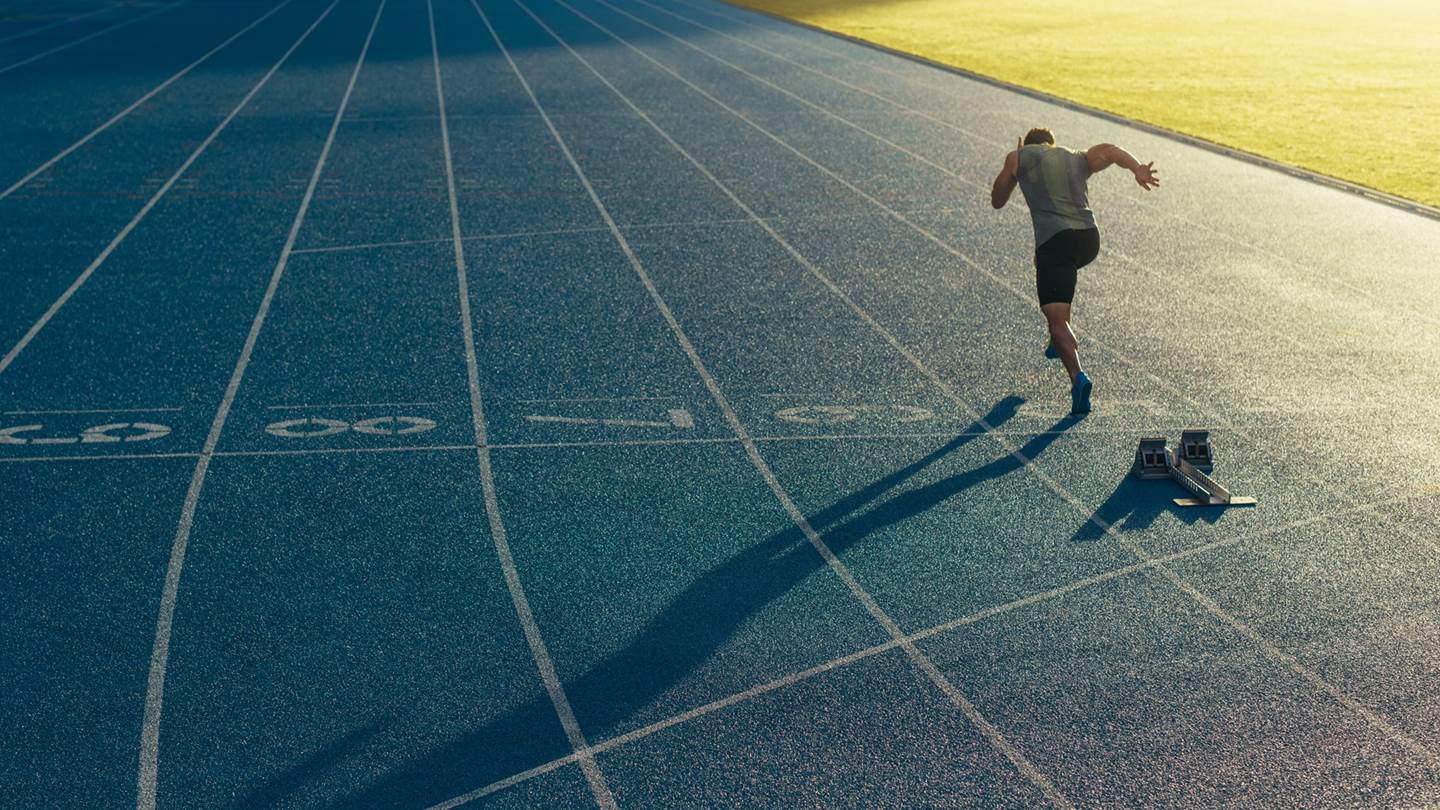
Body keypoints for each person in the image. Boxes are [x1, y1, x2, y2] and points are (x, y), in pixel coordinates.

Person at [990, 128, 1159, 414]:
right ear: (1051, 145)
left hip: (1055, 243)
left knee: (1056, 318)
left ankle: (1077, 376)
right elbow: (1110, 149)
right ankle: (1057, 339)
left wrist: (1014, 166)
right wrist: (1137, 168)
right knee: (1056, 279)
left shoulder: (1019, 157)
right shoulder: (1076, 157)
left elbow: (997, 199)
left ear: (1028, 145)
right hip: (1088, 240)